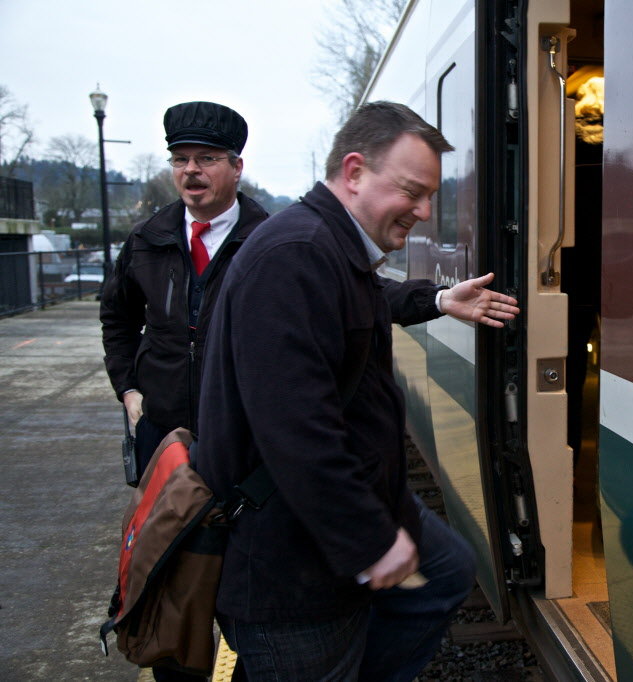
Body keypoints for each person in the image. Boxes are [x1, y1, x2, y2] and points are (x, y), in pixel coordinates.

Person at [193, 101, 519, 681]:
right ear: (354, 172)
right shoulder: (294, 258)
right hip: (290, 567)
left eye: (428, 197)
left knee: (444, 572)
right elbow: (298, 433)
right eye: (412, 192)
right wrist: (371, 541)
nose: (423, 211)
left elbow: (354, 312)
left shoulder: (328, 249)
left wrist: (438, 299)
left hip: (324, 534)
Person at [100, 101, 269, 477]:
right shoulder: (146, 240)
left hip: (244, 432)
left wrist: (430, 298)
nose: (191, 169)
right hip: (162, 432)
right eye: (180, 159)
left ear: (236, 167)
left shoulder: (269, 242)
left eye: (206, 158)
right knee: (168, 535)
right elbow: (117, 318)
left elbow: (345, 291)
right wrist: (128, 390)